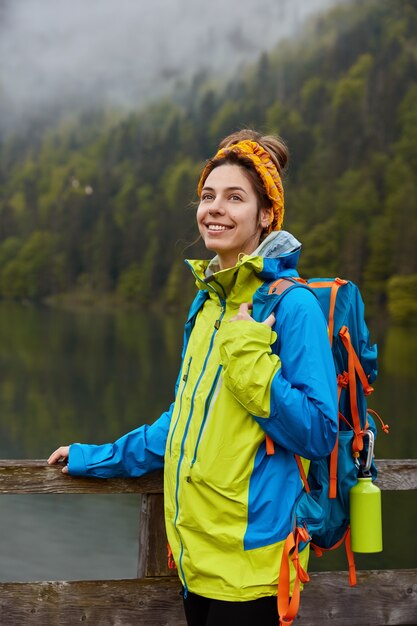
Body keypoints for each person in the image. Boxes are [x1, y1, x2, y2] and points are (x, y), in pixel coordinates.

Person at [48, 129, 338, 626]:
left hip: (251, 574)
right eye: (208, 196)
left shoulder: (294, 307)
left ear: (265, 215)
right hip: (193, 564)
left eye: (234, 198)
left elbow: (317, 433)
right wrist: (94, 457)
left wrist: (248, 355)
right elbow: (182, 426)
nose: (215, 209)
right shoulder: (207, 302)